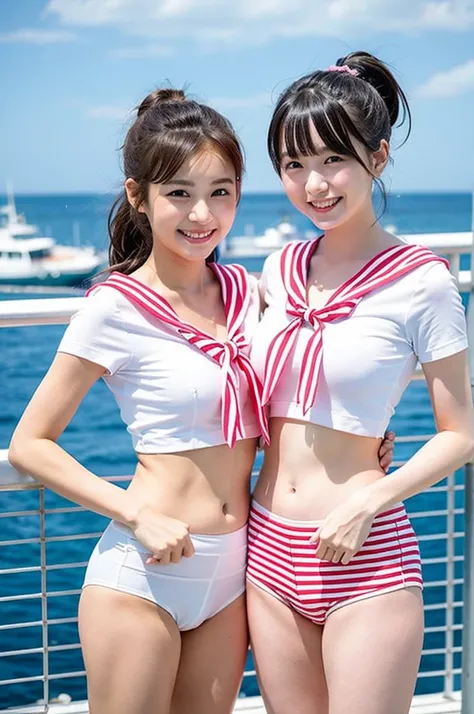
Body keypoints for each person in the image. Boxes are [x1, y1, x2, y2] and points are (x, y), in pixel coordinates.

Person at [8, 87, 394, 714]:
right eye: (179, 193)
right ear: (140, 197)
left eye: (221, 192)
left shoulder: (252, 292)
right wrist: (135, 515)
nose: (202, 214)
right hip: (145, 570)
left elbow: (305, 379)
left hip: (237, 578)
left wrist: (352, 440)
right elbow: (31, 443)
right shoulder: (115, 307)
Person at [246, 51, 474, 714]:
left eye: (332, 160)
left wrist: (370, 500)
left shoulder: (423, 281)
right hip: (267, 548)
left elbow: (460, 435)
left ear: (376, 158)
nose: (313, 184)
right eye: (293, 165)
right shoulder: (276, 268)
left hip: (364, 553)